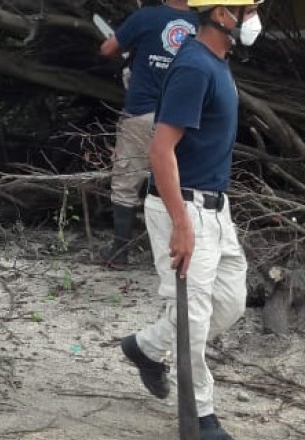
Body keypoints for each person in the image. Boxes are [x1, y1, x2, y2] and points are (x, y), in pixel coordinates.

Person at [120, 0, 265, 440]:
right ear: (223, 15)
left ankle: (145, 347)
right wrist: (182, 226)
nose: (256, 18)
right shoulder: (194, 68)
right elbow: (160, 151)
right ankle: (201, 413)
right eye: (250, 9)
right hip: (183, 208)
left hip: (215, 208)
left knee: (230, 303)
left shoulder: (217, 63)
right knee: (194, 318)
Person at [99, 0, 198, 269]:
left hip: (142, 112)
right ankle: (182, 252)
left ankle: (120, 252)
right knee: (179, 182)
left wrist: (123, 42)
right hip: (182, 116)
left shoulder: (145, 17)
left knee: (126, 181)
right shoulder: (201, 25)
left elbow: (108, 48)